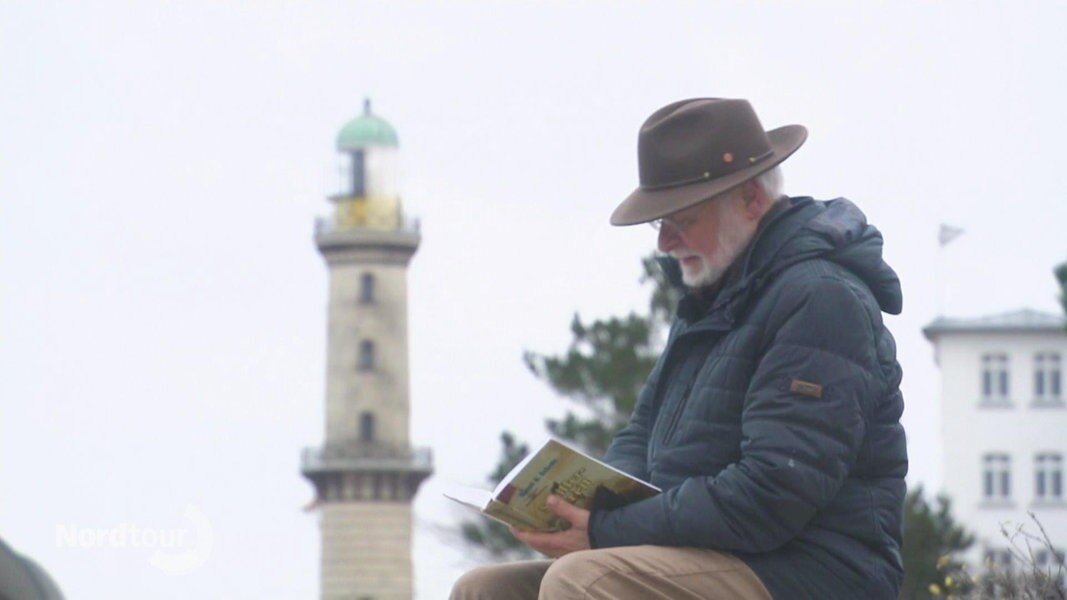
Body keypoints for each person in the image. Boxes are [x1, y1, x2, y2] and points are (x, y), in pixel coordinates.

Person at [451, 98, 907, 599]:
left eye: (682, 220)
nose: (664, 242)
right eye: (658, 223)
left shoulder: (822, 300)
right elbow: (642, 437)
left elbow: (774, 494)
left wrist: (604, 533)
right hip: (706, 553)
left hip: (809, 572)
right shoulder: (713, 297)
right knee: (485, 589)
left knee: (581, 582)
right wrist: (577, 510)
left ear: (751, 201)